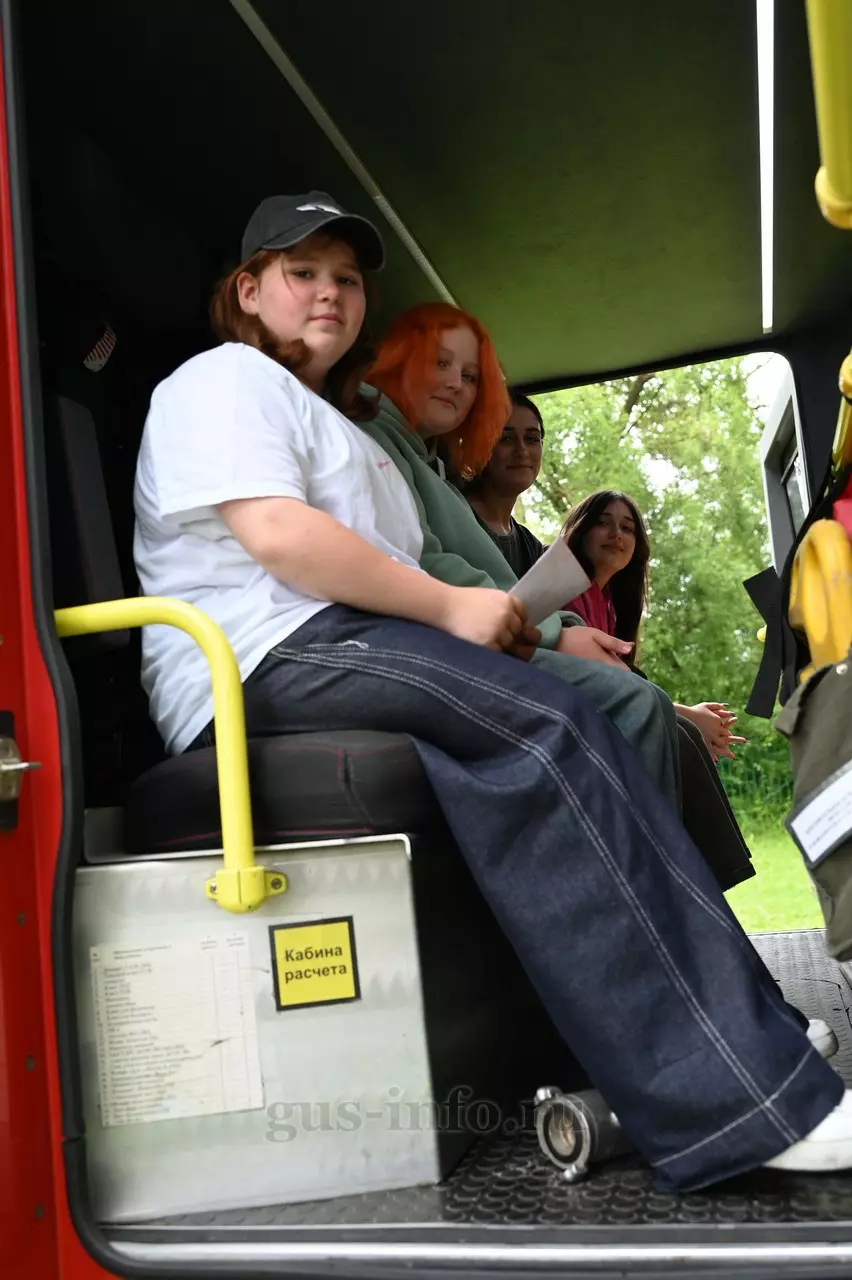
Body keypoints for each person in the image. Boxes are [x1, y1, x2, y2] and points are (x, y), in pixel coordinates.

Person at [133, 191, 852, 1192]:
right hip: (259, 656)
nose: (330, 292)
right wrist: (448, 608)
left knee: (578, 720)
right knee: (548, 729)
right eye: (302, 272)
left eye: (347, 278)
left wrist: (487, 620)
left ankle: (739, 1030)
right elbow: (281, 538)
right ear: (248, 289)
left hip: (340, 643)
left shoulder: (334, 425)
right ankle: (738, 1100)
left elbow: (390, 560)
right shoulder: (221, 379)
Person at [361, 304, 683, 817]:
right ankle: (646, 865)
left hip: (496, 636)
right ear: (401, 359)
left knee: (651, 702)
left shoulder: (429, 464)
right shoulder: (374, 436)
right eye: (440, 363)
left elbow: (494, 576)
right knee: (638, 703)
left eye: (470, 376)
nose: (455, 383)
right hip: (440, 644)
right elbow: (425, 560)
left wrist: (564, 626)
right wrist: (557, 634)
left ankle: (675, 861)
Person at [562, 491, 747, 765]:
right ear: (581, 530)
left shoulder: (609, 604)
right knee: (682, 734)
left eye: (627, 528)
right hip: (572, 719)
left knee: (684, 735)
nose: (617, 534)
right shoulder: (566, 586)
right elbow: (601, 680)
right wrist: (687, 714)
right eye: (603, 523)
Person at [463, 392, 546, 576]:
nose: (522, 451)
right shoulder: (455, 518)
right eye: (505, 438)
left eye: (531, 439)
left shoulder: (530, 547)